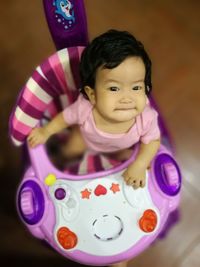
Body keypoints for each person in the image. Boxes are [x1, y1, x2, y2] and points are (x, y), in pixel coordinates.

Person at [28, 29, 160, 267]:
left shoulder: (146, 117)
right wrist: (46, 131)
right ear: (91, 94)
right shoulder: (84, 108)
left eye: (137, 87)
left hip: (124, 147)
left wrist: (140, 163)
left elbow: (152, 141)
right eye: (113, 88)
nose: (127, 98)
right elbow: (64, 118)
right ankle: (67, 157)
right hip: (88, 138)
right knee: (72, 148)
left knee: (131, 160)